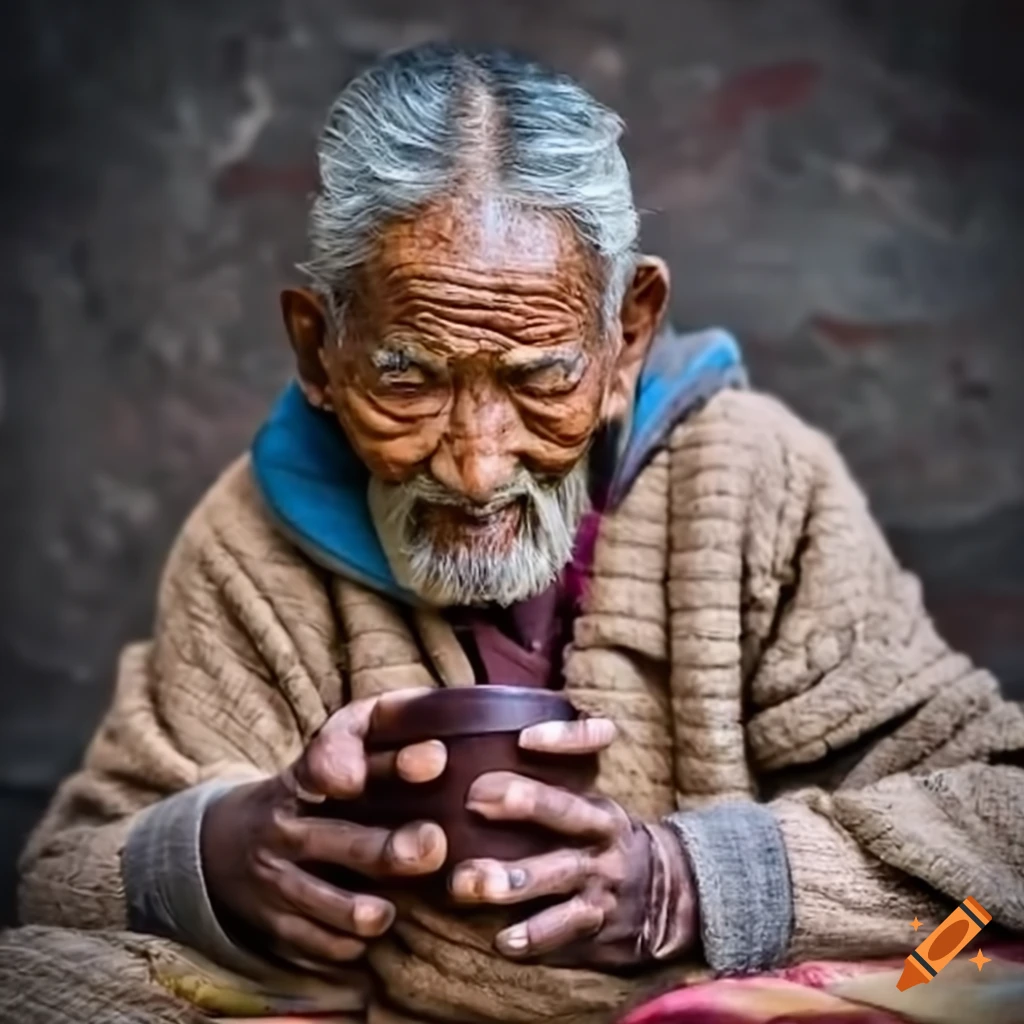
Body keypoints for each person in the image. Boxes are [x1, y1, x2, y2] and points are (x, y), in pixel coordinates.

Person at [5, 43, 1024, 1024]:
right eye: (406, 377)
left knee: (973, 950)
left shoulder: (752, 481)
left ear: (625, 335)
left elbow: (1005, 825)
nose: (478, 464)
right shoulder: (252, 537)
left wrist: (686, 880)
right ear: (319, 349)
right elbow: (65, 874)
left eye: (541, 378)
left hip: (723, 1008)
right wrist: (222, 858)